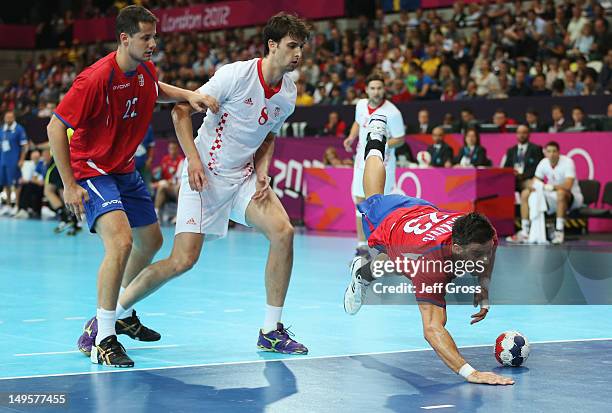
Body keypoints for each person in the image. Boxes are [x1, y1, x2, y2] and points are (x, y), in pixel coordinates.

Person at [94, 12, 311, 356]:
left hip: (242, 179)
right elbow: (181, 111)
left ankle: (271, 330)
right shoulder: (235, 75)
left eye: (302, 46)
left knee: (283, 233)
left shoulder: (288, 92)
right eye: (292, 45)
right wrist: (193, 160)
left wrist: (263, 171)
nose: (298, 53)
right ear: (272, 45)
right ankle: (109, 317)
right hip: (204, 175)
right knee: (182, 261)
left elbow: (268, 136)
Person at [48, 5, 218, 367]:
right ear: (125, 39)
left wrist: (189, 95)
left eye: (154, 36)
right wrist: (68, 185)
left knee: (151, 241)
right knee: (121, 242)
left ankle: (120, 311)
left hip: (123, 169)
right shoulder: (94, 79)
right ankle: (102, 337)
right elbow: (54, 127)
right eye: (146, 37)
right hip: (91, 168)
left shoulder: (144, 70)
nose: (153, 43)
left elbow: (155, 90)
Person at [343, 114, 513, 385]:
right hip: (392, 223)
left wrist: (483, 286)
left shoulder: (482, 233)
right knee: (374, 196)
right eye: (476, 255)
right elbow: (431, 330)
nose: (483, 258)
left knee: (395, 266)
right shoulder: (428, 269)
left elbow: (489, 247)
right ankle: (376, 138)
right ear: (457, 247)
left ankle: (364, 272)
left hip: (419, 210)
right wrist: (473, 373)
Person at [343, 73, 406, 258]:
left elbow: (400, 139)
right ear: (366, 90)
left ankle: (383, 247)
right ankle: (362, 246)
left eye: (379, 88)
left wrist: (382, 144)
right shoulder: (360, 105)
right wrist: (351, 137)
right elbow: (357, 122)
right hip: (361, 161)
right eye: (373, 88)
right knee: (360, 201)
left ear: (384, 89)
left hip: (383, 163)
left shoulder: (393, 112)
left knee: (380, 204)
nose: (376, 92)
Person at [507, 141, 583, 245]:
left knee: (561, 193)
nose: (552, 154)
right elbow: (536, 180)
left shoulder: (568, 162)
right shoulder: (543, 162)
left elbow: (568, 186)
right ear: (546, 153)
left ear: (559, 152)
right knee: (525, 193)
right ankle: (525, 231)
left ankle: (559, 231)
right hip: (552, 197)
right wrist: (531, 185)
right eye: (549, 151)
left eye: (554, 151)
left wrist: (550, 187)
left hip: (572, 198)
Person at [0, 111, 29, 216]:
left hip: (14, 160)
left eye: (10, 117)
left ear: (14, 118)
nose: (8, 119)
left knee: (16, 184)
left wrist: (21, 160)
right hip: (3, 160)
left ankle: (16, 206)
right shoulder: (2, 129)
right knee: (5, 183)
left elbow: (25, 146)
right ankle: (8, 205)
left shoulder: (19, 129)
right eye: (6, 117)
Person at [503, 125, 544, 191]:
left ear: (529, 134)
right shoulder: (511, 150)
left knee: (532, 185)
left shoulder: (536, 149)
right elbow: (506, 167)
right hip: (513, 180)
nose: (521, 135)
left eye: (524, 133)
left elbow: (538, 167)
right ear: (516, 134)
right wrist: (513, 173)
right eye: (519, 133)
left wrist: (522, 175)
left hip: (528, 179)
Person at [153, 141, 184, 221]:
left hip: (177, 187)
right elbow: (159, 175)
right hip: (168, 187)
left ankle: (179, 215)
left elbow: (178, 179)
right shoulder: (165, 159)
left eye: (174, 149)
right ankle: (155, 215)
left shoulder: (182, 161)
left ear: (178, 150)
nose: (172, 151)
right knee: (162, 187)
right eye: (170, 149)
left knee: (178, 187)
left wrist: (167, 182)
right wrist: (156, 173)